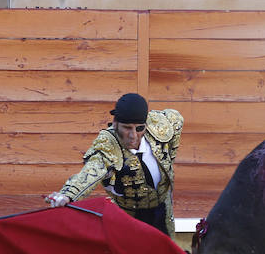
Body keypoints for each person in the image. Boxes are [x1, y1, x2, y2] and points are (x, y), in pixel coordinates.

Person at [43, 93, 184, 237]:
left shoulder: (159, 125)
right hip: (129, 215)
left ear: (146, 125)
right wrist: (68, 195)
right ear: (115, 124)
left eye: (139, 128)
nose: (133, 135)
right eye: (127, 128)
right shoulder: (108, 144)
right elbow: (93, 170)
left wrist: (171, 157)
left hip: (163, 208)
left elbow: (176, 119)